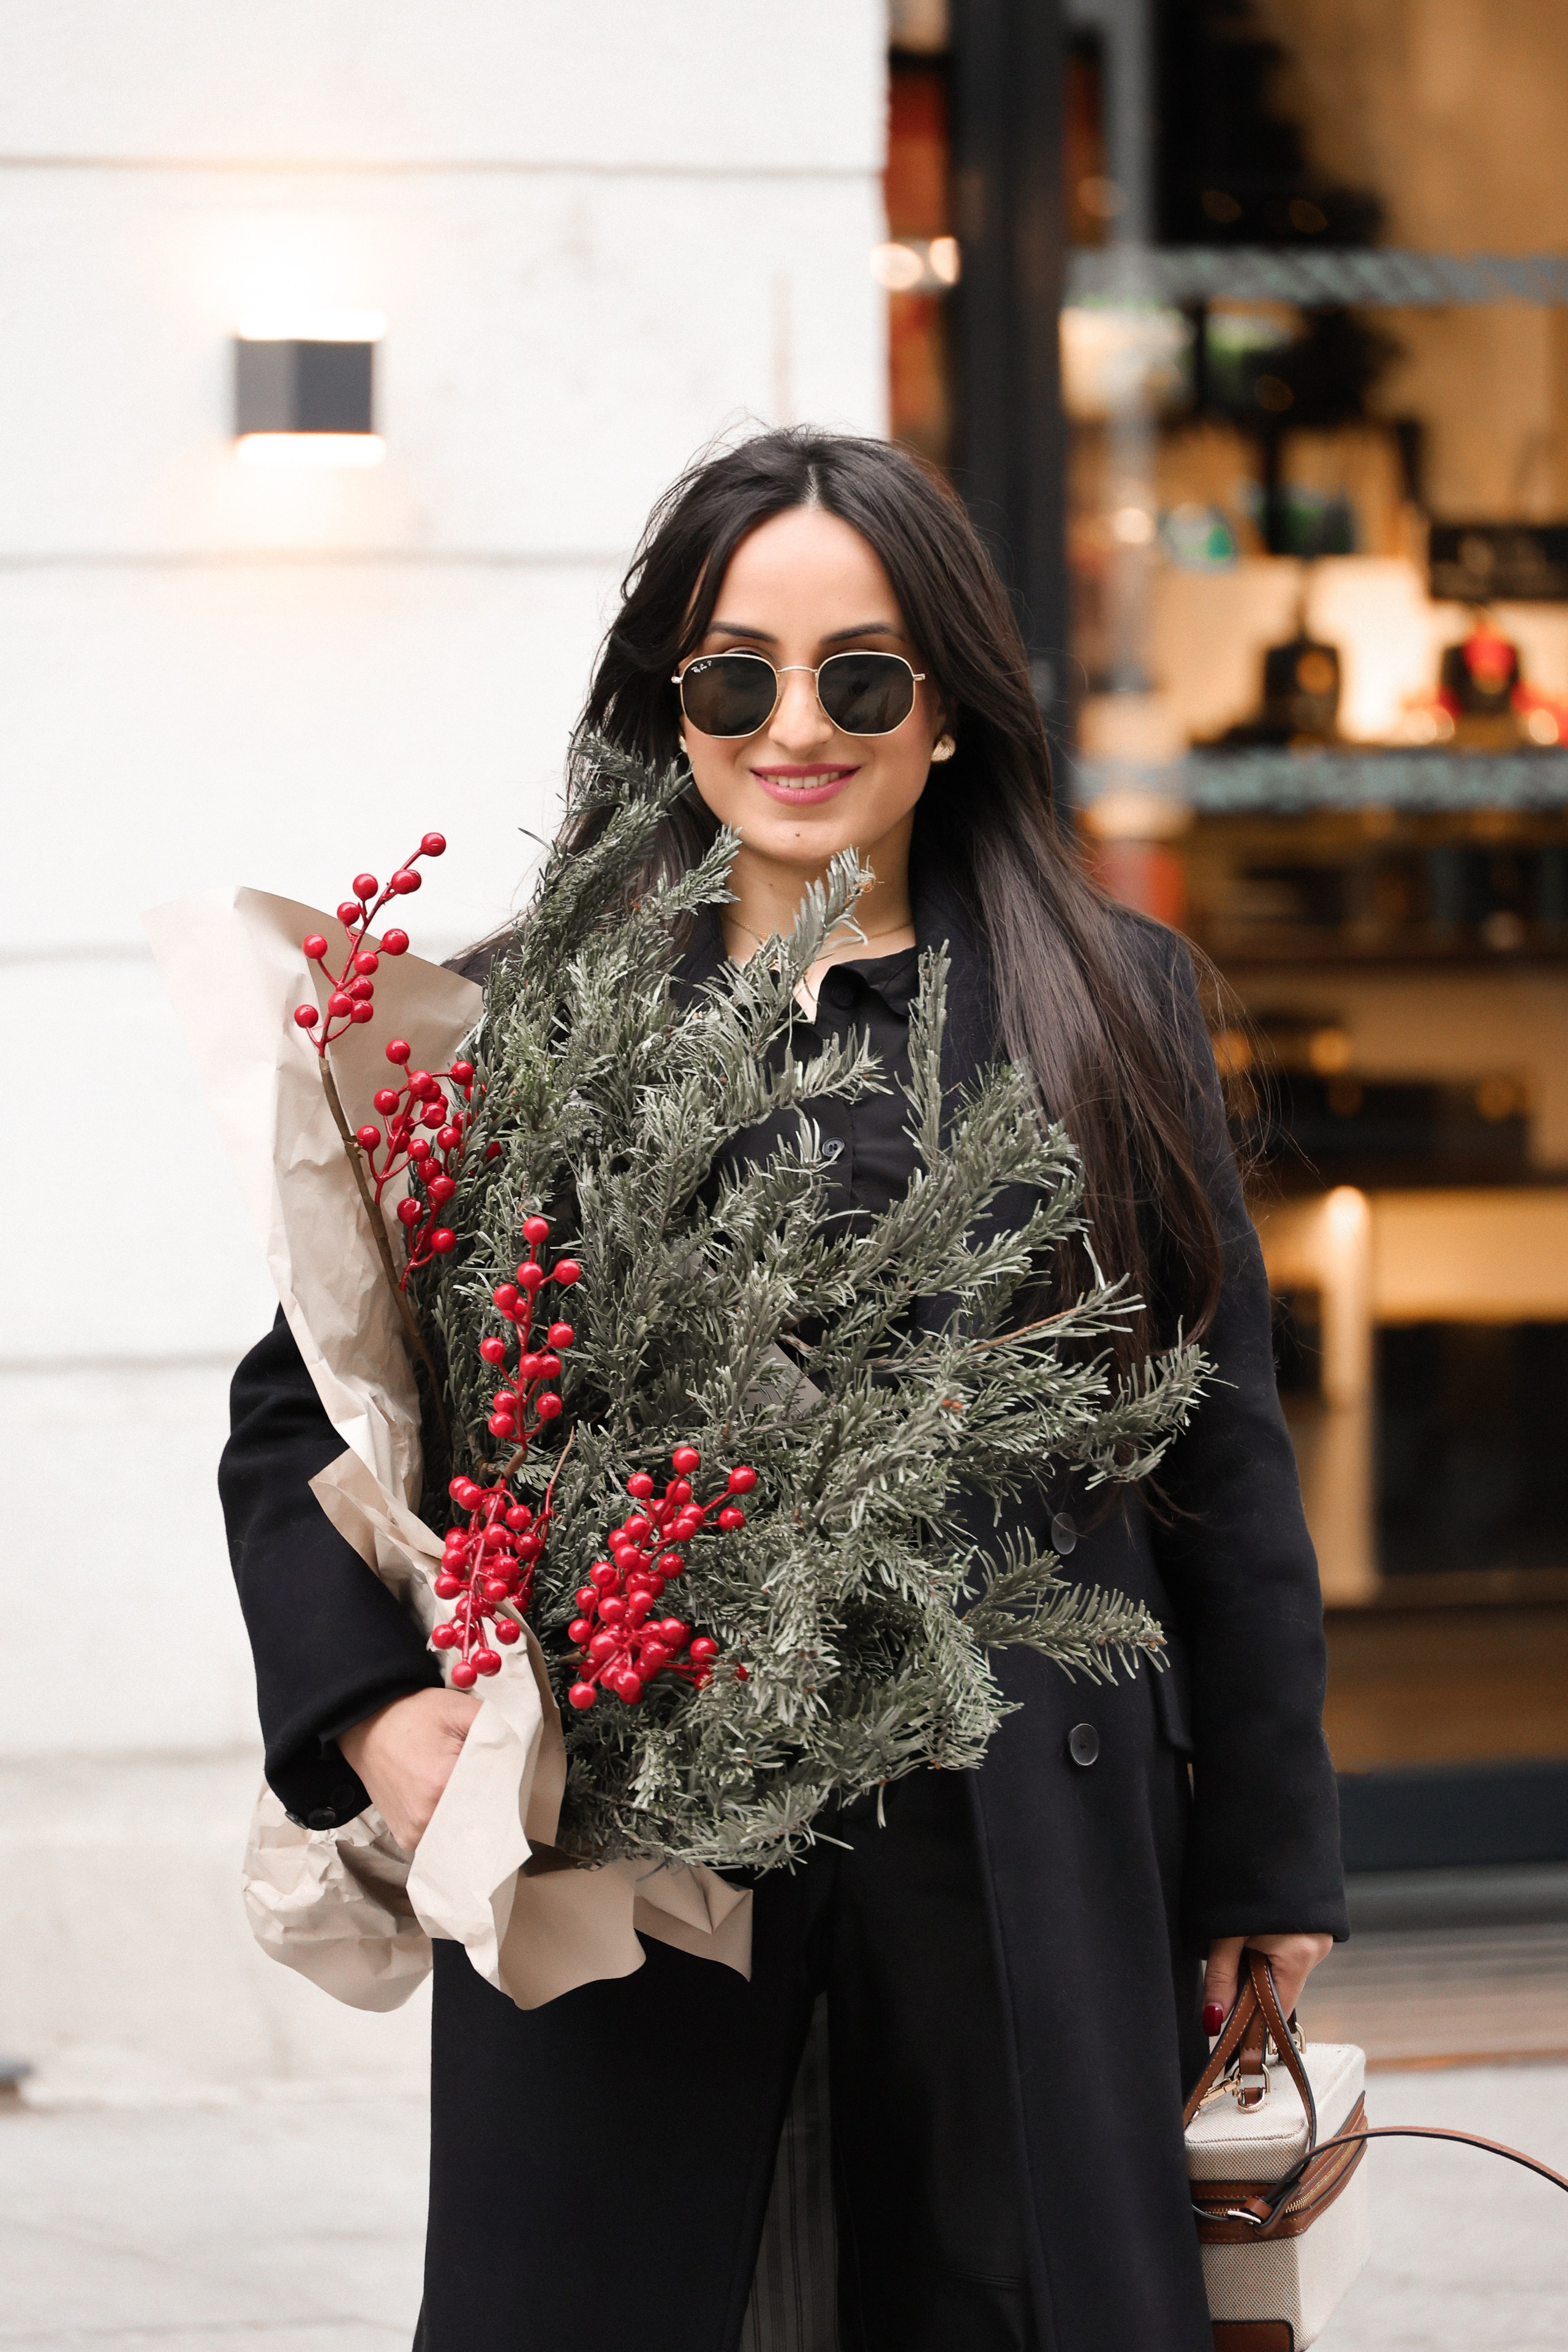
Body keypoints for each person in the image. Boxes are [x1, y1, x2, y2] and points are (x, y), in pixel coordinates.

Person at [220, 429, 1346, 2352]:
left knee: (1008, 2303)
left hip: (1024, 1851)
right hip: (641, 1847)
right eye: (737, 675)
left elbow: (1219, 1455)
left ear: (951, 711)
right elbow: (308, 1405)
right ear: (673, 701)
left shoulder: (1115, 1001)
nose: (797, 727)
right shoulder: (517, 1021)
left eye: (863, 675)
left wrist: (1268, 1854)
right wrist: (382, 1716)